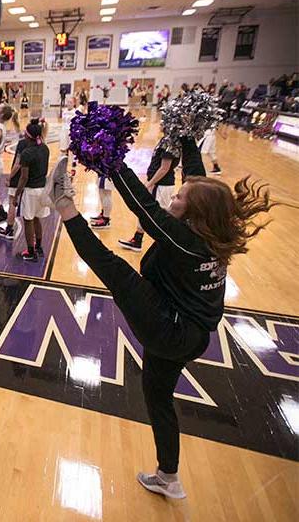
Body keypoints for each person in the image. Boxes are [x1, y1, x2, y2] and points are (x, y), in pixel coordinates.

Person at [45, 143, 278, 500]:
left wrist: (113, 160)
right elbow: (196, 182)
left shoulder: (187, 242)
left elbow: (146, 208)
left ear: (195, 212)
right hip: (191, 335)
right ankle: (169, 477)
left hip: (170, 328)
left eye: (180, 198)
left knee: (115, 269)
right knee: (158, 399)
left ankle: (63, 203)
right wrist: (188, 140)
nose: (174, 200)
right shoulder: (211, 235)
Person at [119, 138, 180, 252]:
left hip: (161, 185)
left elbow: (164, 168)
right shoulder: (166, 140)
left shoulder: (171, 143)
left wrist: (150, 183)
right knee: (147, 212)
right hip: (159, 184)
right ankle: (137, 240)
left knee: (157, 216)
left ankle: (164, 246)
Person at [13, 122, 51, 261]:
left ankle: (30, 251)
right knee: (37, 218)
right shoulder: (45, 149)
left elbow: (24, 178)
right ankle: (39, 247)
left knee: (28, 221)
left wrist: (16, 195)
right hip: (42, 189)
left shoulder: (27, 153)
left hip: (30, 191)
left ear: (28, 136)